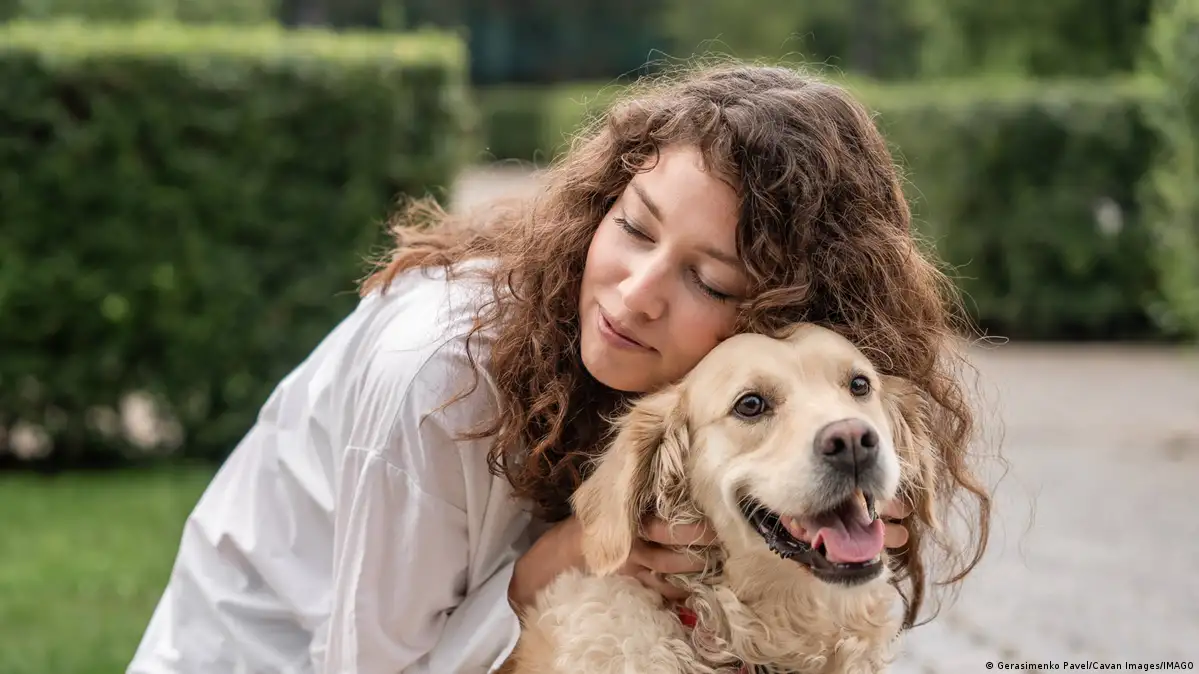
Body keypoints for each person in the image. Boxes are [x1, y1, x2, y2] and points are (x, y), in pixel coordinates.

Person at [127, 62, 990, 674]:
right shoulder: (435, 374)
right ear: (602, 200)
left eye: (708, 280)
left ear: (779, 314)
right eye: (635, 227)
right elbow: (370, 664)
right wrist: (572, 550)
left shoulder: (718, 397)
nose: (634, 294)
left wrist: (828, 512)